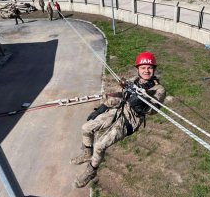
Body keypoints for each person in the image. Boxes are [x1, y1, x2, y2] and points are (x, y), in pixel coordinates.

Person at [70, 52, 166, 188]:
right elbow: (121, 97)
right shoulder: (133, 82)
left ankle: (91, 171)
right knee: (86, 127)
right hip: (118, 110)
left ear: (154, 69)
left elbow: (153, 110)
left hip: (131, 120)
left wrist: (141, 104)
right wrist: (103, 107)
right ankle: (87, 153)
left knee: (99, 145)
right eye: (143, 67)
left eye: (149, 68)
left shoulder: (158, 89)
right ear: (138, 69)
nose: (146, 70)